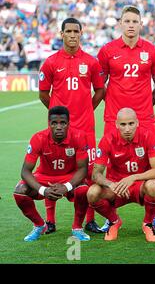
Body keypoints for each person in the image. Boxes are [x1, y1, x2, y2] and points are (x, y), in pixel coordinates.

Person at [39, 17, 105, 234]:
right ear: (62, 34)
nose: (73, 35)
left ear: (81, 33)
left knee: (87, 172)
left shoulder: (91, 62)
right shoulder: (50, 62)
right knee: (53, 169)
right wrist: (58, 116)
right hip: (59, 128)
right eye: (68, 31)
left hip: (85, 128)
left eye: (76, 31)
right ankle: (50, 221)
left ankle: (90, 220)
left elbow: (100, 91)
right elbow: (43, 93)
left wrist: (86, 110)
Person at [13, 106, 91, 242]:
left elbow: (83, 169)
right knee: (19, 191)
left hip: (69, 176)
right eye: (54, 123)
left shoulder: (79, 136)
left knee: (84, 189)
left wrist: (66, 186)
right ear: (49, 124)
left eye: (63, 123)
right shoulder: (38, 138)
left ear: (68, 123)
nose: (59, 127)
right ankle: (39, 225)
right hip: (44, 177)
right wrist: (43, 190)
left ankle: (77, 228)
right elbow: (25, 171)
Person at [87, 108, 155, 242]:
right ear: (116, 124)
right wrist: (111, 184)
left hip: (140, 185)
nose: (127, 129)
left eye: (131, 124)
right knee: (92, 193)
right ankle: (114, 221)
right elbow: (95, 174)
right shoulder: (108, 139)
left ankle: (148, 223)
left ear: (137, 123)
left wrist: (132, 177)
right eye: (123, 125)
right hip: (117, 186)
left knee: (153, 185)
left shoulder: (147, 136)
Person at [97, 5, 155, 136]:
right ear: (120, 23)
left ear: (141, 24)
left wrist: (150, 101)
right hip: (115, 117)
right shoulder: (107, 50)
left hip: (144, 117)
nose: (131, 25)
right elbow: (99, 83)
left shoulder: (152, 51)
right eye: (127, 21)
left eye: (135, 22)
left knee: (149, 156)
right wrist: (111, 100)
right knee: (113, 155)